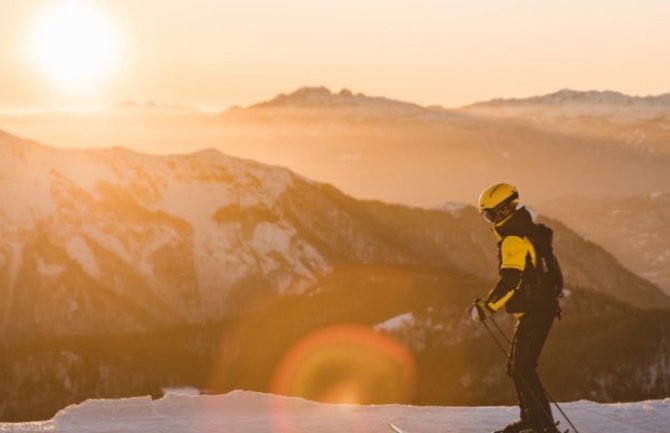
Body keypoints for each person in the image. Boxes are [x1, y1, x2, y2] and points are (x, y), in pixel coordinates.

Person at [469, 183, 561, 433]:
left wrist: (486, 308)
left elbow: (510, 280)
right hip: (541, 307)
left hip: (536, 310)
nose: (488, 220)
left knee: (522, 368)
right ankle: (532, 422)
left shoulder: (513, 238)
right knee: (518, 367)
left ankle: (540, 427)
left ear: (501, 212)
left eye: (489, 214)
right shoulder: (526, 229)